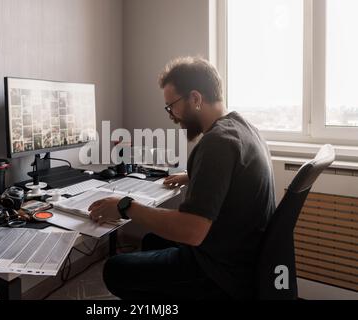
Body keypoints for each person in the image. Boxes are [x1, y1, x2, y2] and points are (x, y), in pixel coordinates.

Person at [88, 57, 276, 300]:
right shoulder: (242, 129)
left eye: (171, 106)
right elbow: (237, 177)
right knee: (151, 241)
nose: (171, 115)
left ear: (195, 99)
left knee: (114, 270)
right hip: (241, 258)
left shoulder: (217, 142)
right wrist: (192, 176)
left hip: (219, 272)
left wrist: (125, 206)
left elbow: (191, 232)